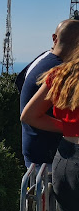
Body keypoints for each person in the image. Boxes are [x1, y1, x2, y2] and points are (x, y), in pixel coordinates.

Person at [21, 22, 79, 211]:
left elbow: (28, 114)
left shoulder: (59, 73)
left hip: (63, 160)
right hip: (59, 160)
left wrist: (70, 128)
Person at [19, 19, 79, 168]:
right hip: (48, 160)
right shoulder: (63, 72)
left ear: (55, 38)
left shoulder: (43, 59)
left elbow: (20, 82)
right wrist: (71, 128)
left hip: (34, 152)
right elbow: (29, 116)